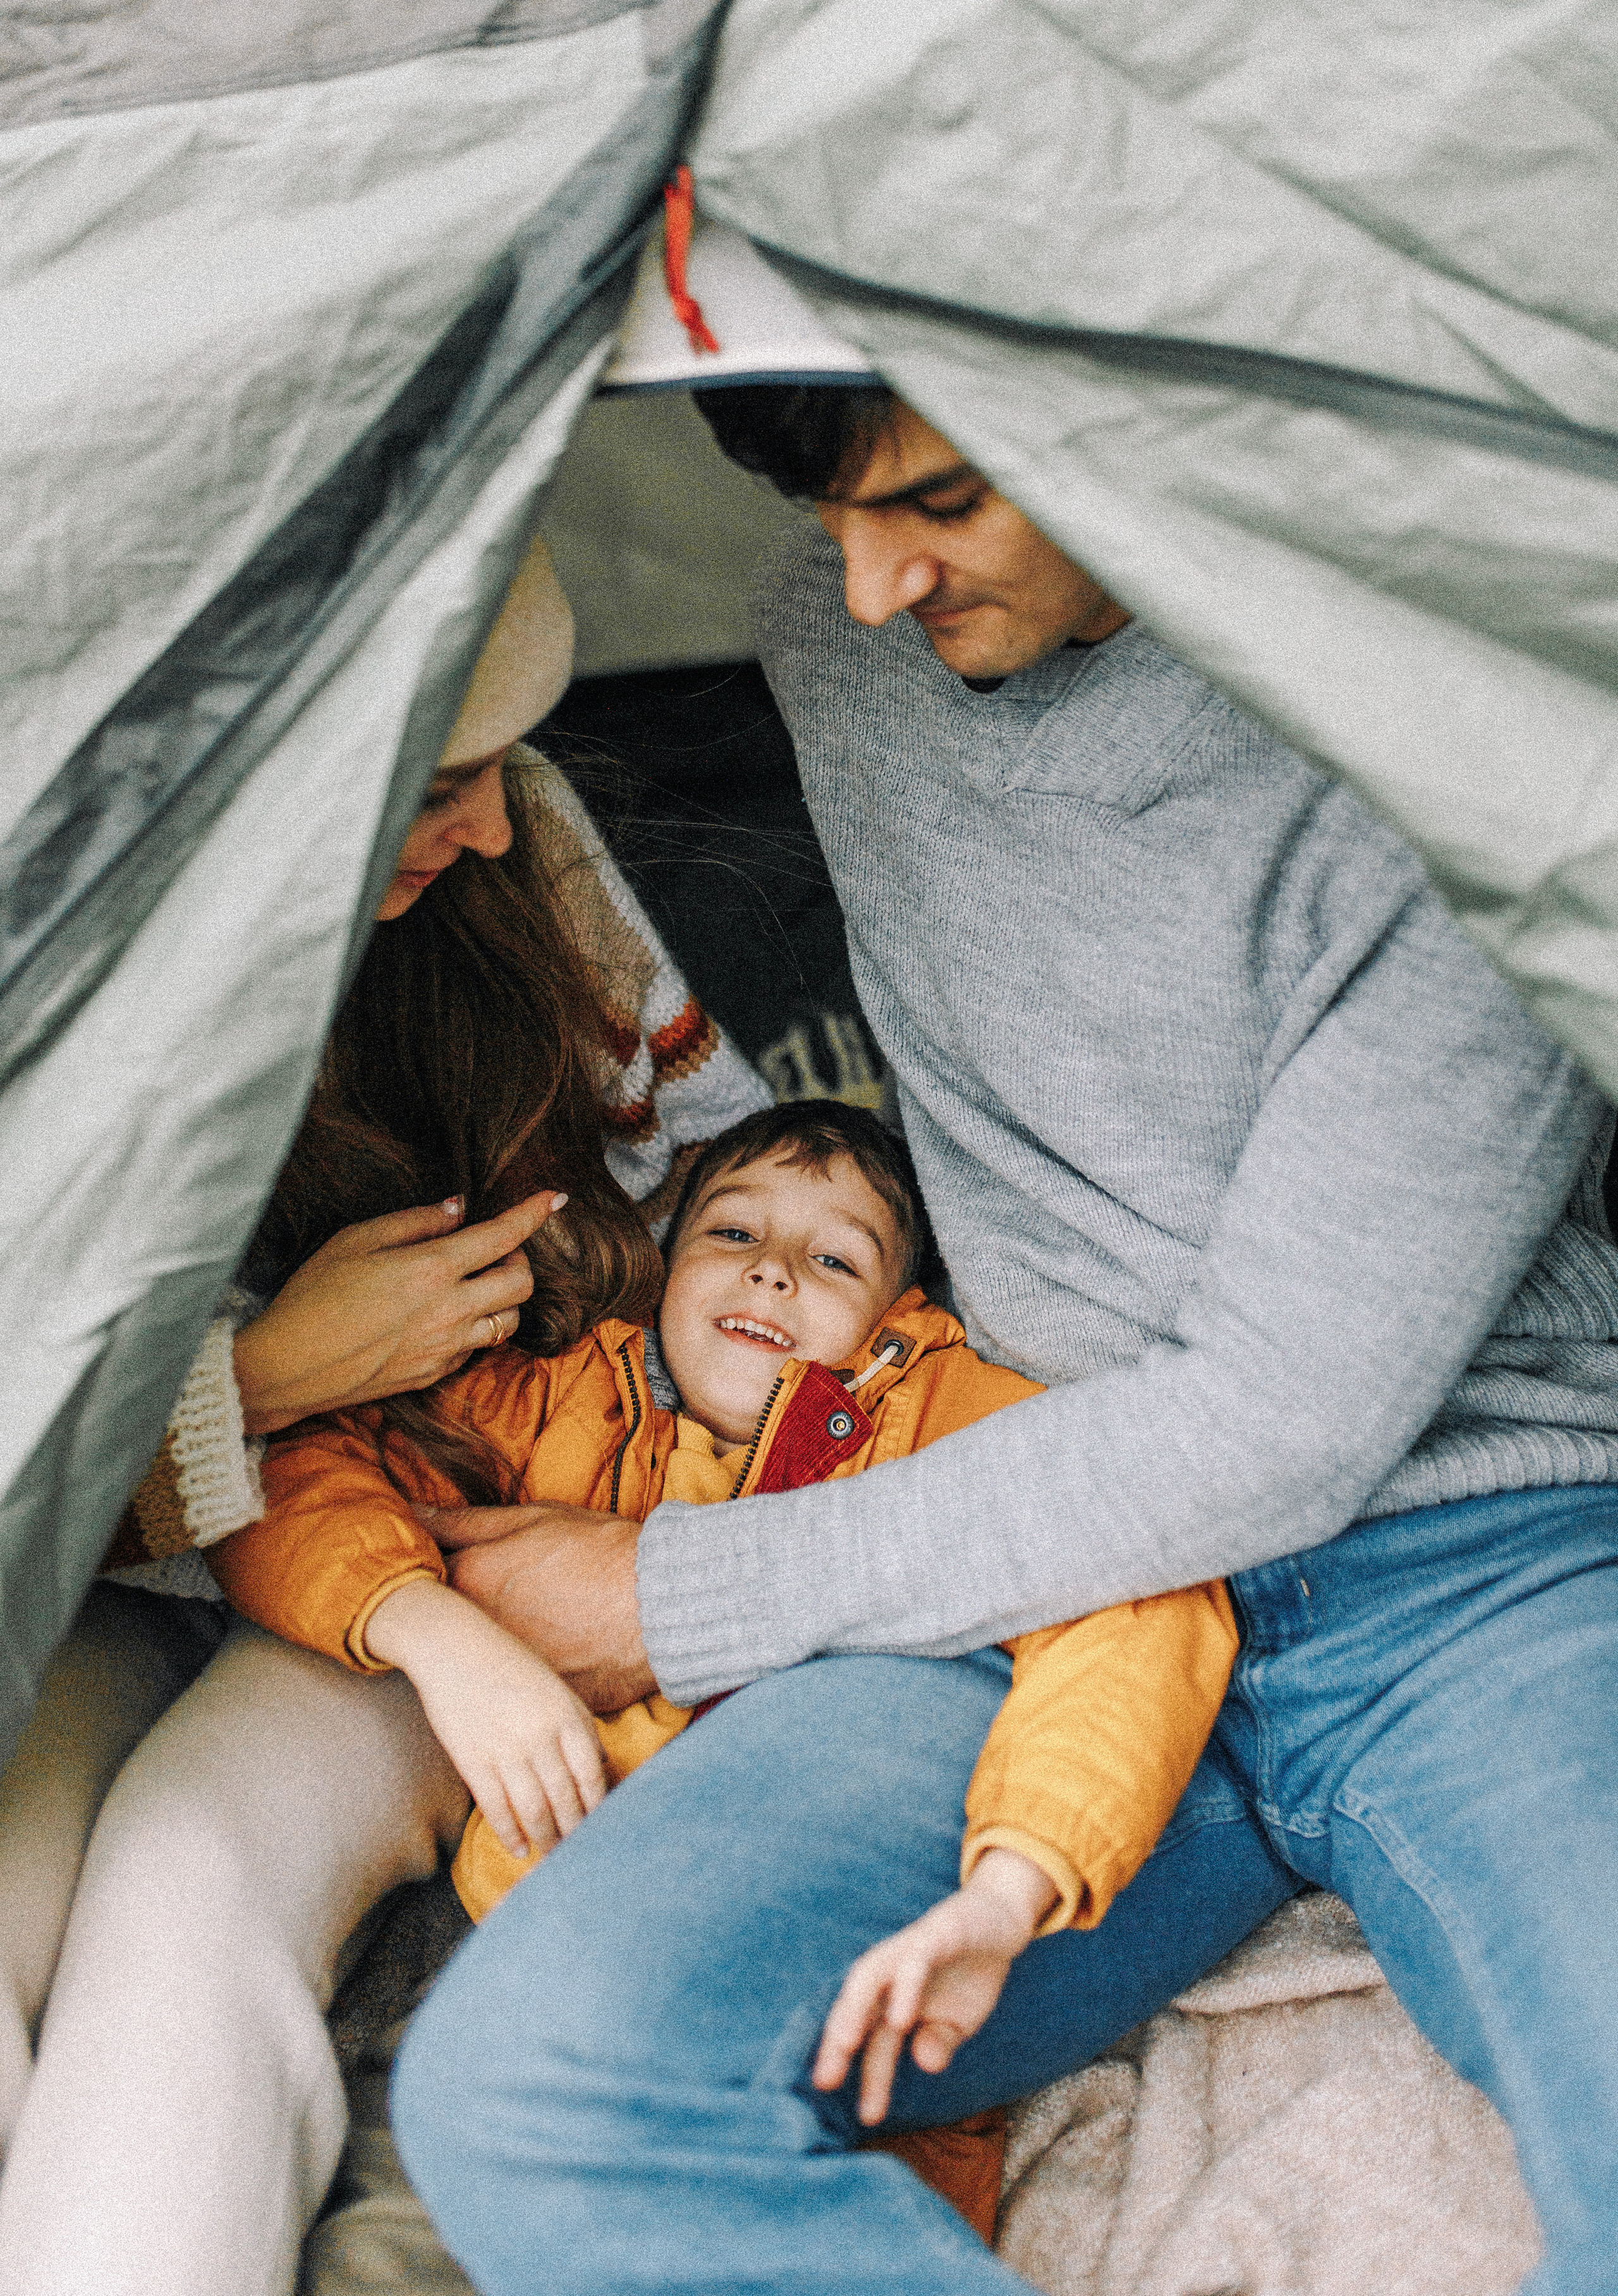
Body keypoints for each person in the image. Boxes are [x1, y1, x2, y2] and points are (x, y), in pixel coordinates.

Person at [390, 388, 1618, 2296]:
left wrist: (677, 1588)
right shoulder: (835, 645)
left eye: (940, 504)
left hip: (1471, 1573)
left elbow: (1282, 1425)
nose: (867, 585)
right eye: (824, 513)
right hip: (1019, 1566)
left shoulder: (1464, 728)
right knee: (532, 2083)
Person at [0, 536, 770, 2296]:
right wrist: (274, 1374)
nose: (498, 824)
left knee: (192, 1889)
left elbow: (730, 1185)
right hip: (92, 1579)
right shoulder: (68, 968)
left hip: (429, 1554)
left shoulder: (525, 863)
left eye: (508, 763)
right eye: (433, 784)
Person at [207, 1099, 1236, 2233]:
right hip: (523, 1950)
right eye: (733, 1236)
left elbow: (1133, 1595)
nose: (774, 1275)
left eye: (833, 1257)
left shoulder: (941, 1414)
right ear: (663, 1265)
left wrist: (1012, 1883)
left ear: (901, 1309)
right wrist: (420, 1625)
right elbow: (297, 1469)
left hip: (816, 1986)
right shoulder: (558, 1398)